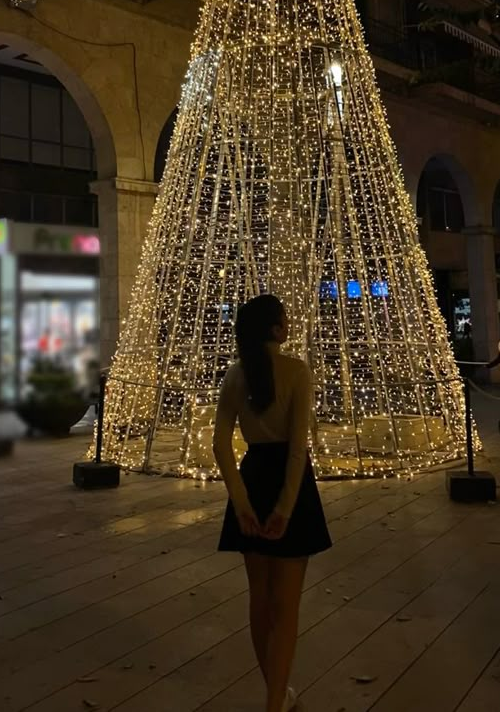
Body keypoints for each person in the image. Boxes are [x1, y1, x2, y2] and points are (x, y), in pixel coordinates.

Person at [213, 294, 331, 712]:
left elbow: (221, 445)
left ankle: (277, 694)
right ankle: (274, 701)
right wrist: (284, 508)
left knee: (259, 598)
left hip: (253, 474)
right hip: (288, 483)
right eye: (285, 318)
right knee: (287, 607)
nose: (289, 322)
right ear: (275, 329)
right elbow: (298, 448)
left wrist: (242, 503)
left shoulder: (235, 376)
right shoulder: (297, 371)